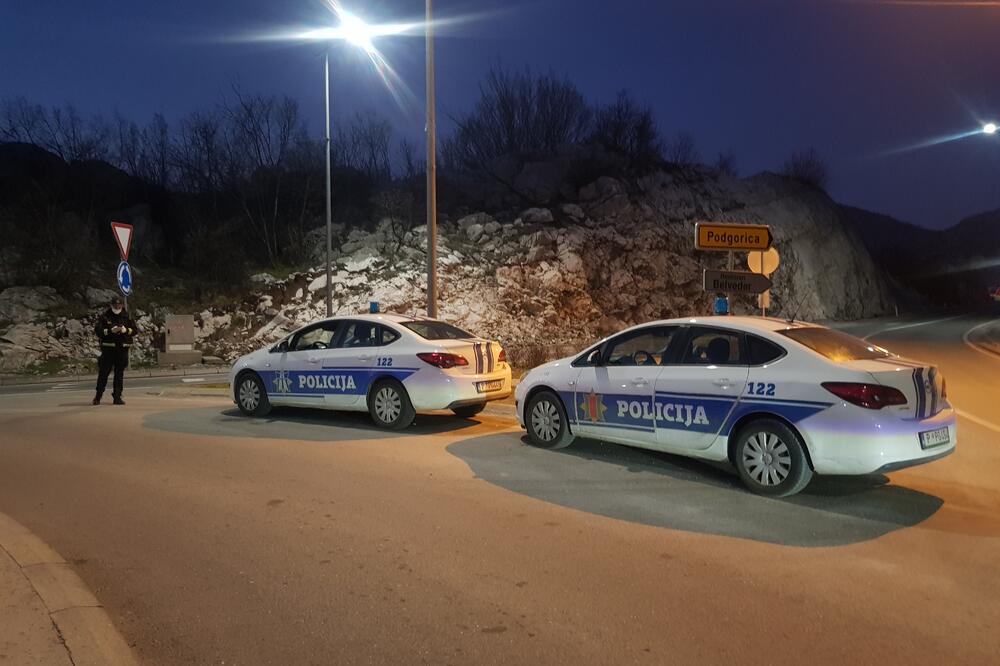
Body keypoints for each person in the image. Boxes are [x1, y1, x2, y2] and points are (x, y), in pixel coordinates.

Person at [93, 296, 136, 405]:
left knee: (119, 375)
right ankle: (98, 396)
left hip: (121, 349)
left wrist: (126, 330)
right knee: (103, 374)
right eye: (115, 305)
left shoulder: (126, 316)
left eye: (119, 305)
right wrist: (109, 331)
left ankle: (117, 397)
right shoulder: (105, 316)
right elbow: (98, 330)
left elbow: (135, 330)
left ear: (122, 305)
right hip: (108, 350)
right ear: (111, 305)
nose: (117, 306)